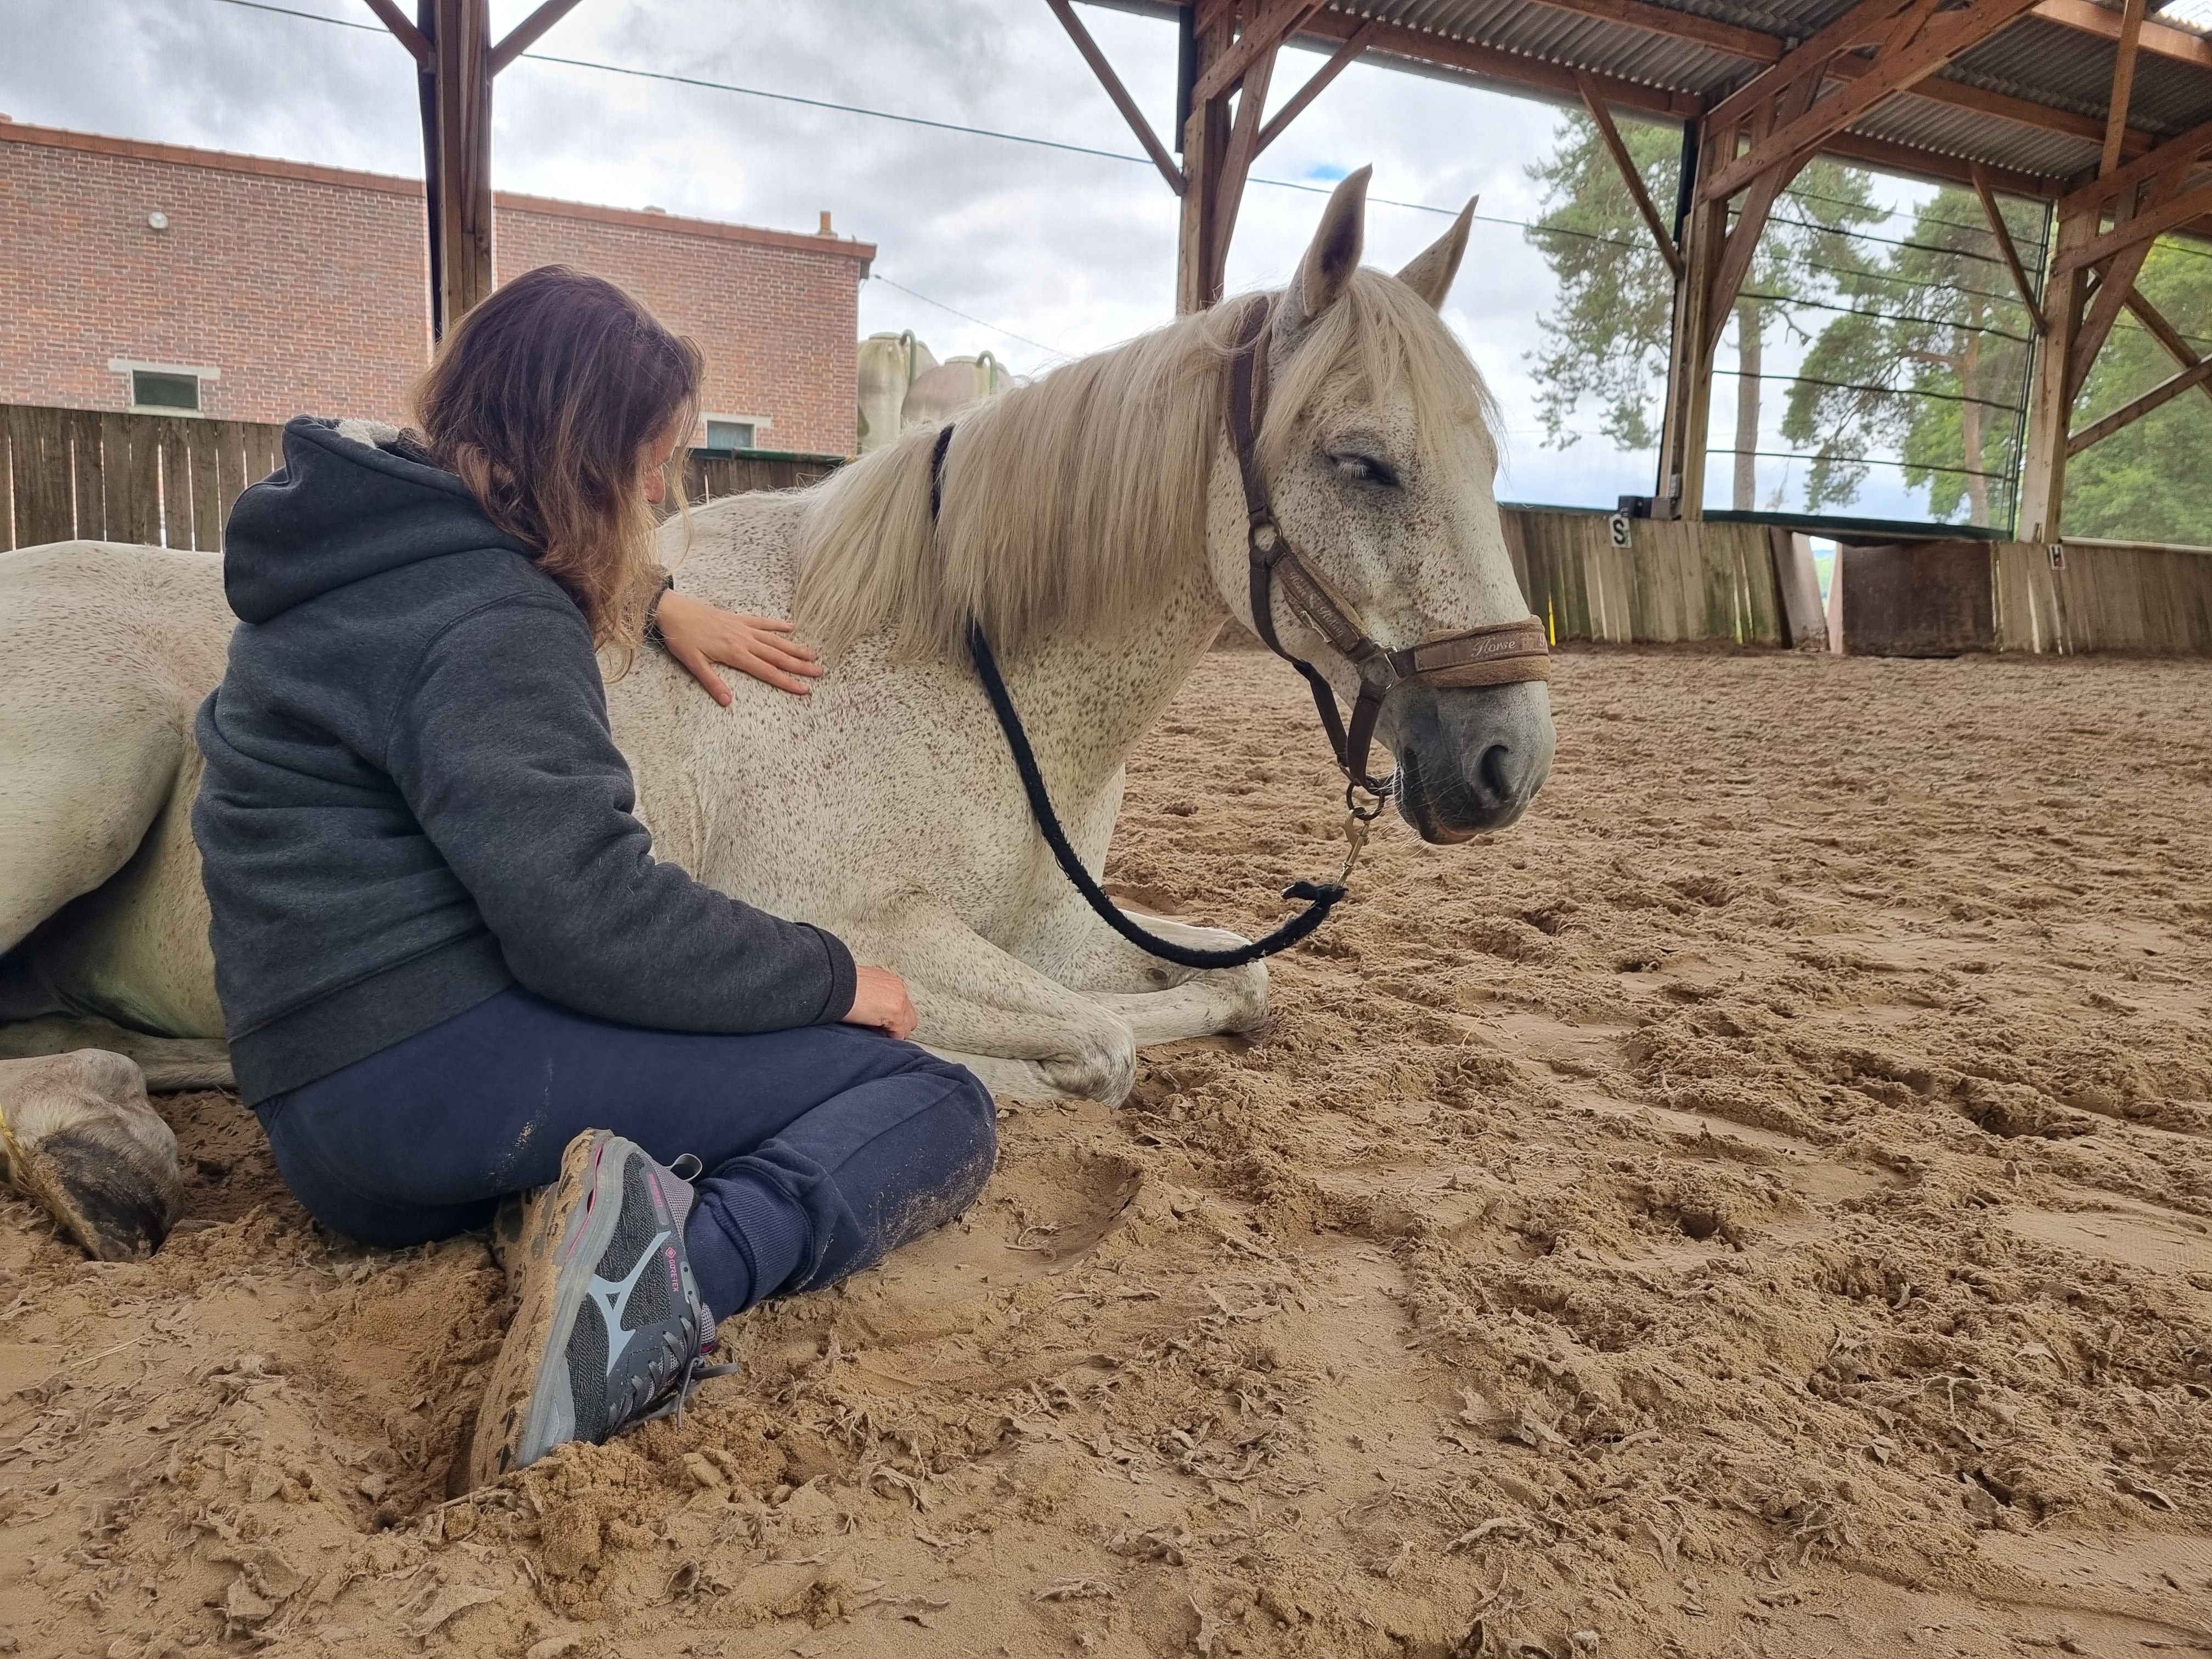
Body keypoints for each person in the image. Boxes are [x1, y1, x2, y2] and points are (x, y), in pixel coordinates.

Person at [191, 265, 996, 1487]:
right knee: (930, 1099)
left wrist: (652, 599)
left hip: (320, 1111)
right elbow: (589, 918)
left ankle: (581, 1217)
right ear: (585, 450)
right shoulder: (490, 617)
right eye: (655, 460)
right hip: (423, 1081)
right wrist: (834, 978)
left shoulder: (356, 561)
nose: (662, 494)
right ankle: (672, 1289)